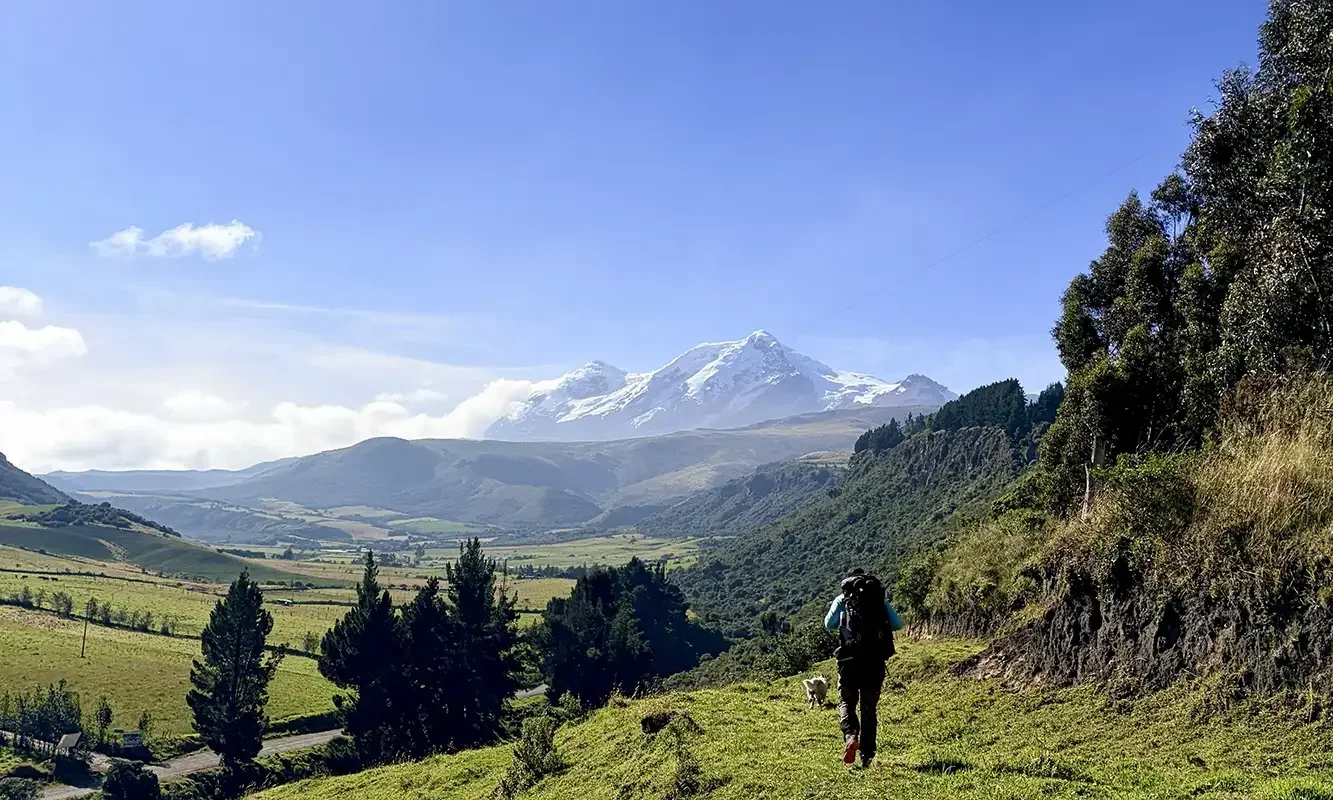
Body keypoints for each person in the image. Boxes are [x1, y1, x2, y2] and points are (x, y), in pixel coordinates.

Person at [823, 567, 903, 768]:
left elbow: (828, 624)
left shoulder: (842, 599)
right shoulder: (878, 599)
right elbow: (898, 624)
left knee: (846, 701)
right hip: (874, 661)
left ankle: (850, 735)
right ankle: (867, 756)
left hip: (849, 661)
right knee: (869, 708)